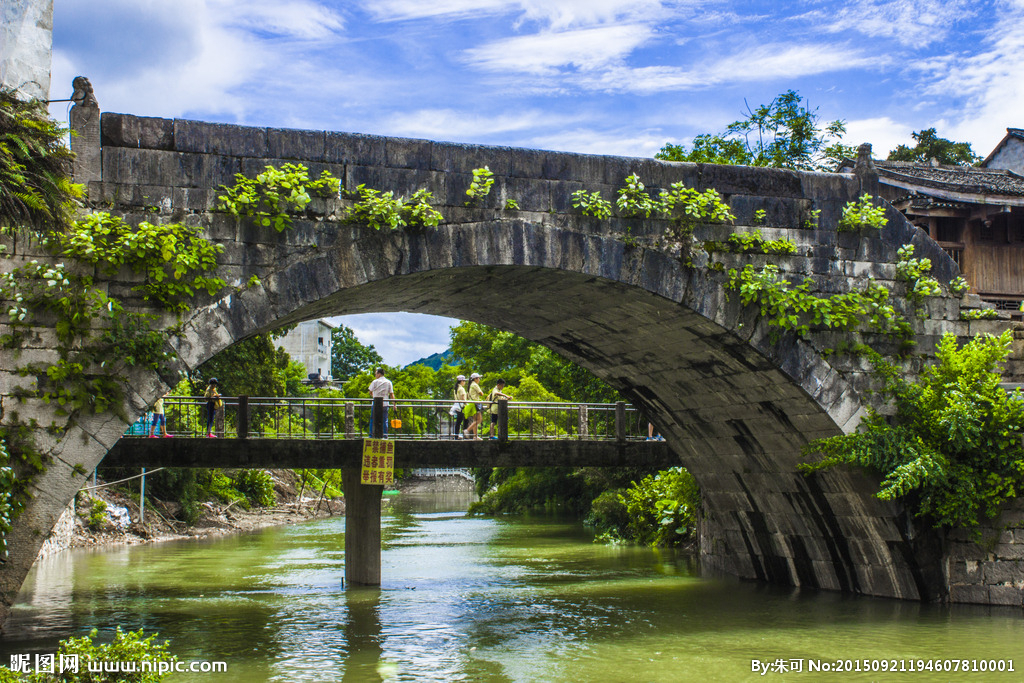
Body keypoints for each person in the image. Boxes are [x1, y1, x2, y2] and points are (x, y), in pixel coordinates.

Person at [368, 367, 395, 438]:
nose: (375, 375)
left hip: (376, 404)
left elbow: (370, 391)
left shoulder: (375, 382)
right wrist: (394, 405)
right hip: (385, 403)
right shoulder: (388, 382)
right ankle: (385, 435)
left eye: (376, 374)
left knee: (373, 419)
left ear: (379, 374)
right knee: (385, 420)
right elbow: (391, 394)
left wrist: (374, 396)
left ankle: (371, 434)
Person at [464, 372, 485, 440]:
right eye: (478, 378)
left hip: (472, 404)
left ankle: (475, 436)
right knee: (479, 420)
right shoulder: (475, 385)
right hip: (475, 404)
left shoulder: (470, 385)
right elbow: (481, 393)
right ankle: (467, 430)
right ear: (475, 379)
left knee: (475, 420)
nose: (479, 380)